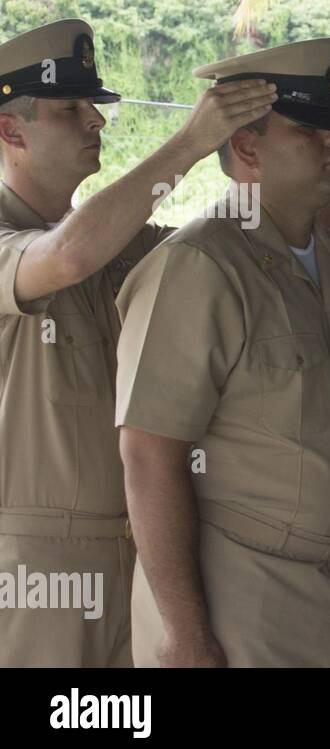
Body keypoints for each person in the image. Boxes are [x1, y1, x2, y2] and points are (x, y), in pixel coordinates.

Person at [0, 18, 274, 666]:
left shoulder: (114, 238)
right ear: (10, 131)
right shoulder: (54, 244)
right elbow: (64, 258)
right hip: (39, 565)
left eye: (93, 107)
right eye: (71, 109)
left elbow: (244, 251)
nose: (95, 122)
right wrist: (187, 144)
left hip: (142, 549)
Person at [117, 38, 330, 667]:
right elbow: (148, 454)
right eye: (310, 129)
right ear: (247, 148)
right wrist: (185, 635)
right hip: (241, 596)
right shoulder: (199, 267)